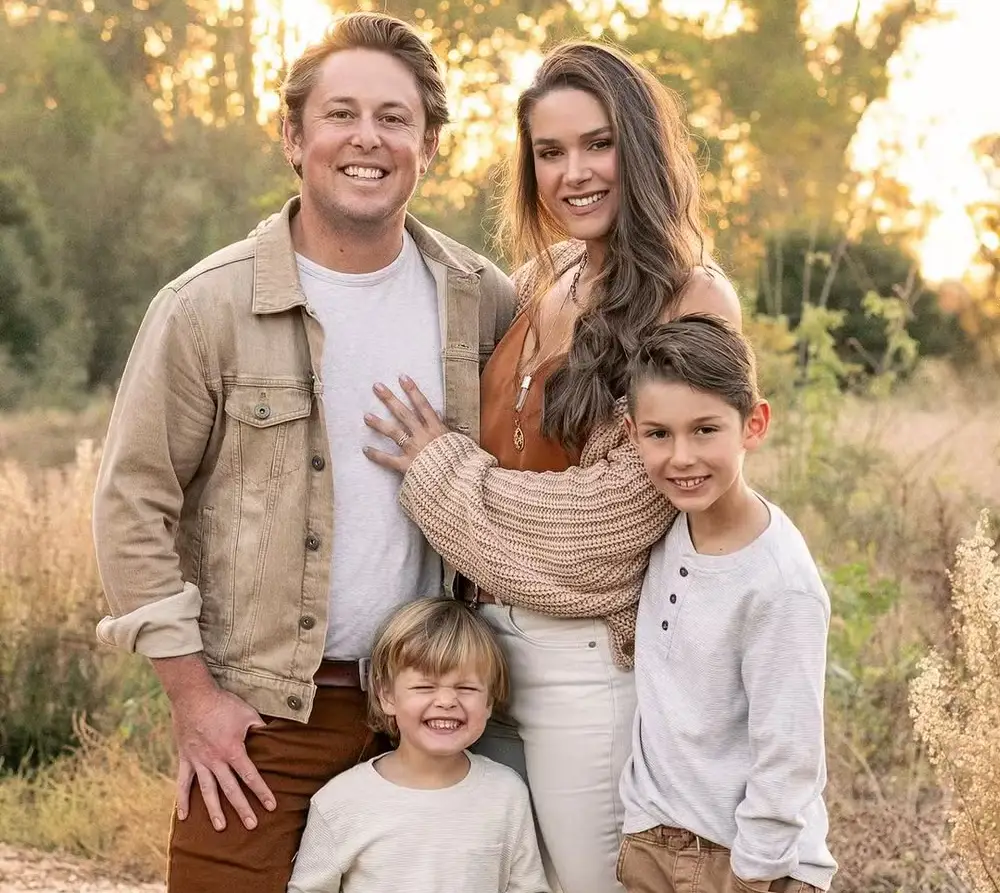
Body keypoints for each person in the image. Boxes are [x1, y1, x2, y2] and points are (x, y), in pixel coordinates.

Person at [90, 12, 516, 892]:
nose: (368, 139)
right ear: (293, 135)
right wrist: (194, 701)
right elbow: (131, 504)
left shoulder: (484, 303)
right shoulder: (206, 307)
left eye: (394, 119)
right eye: (340, 114)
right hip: (259, 718)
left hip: (430, 711)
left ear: (429, 144)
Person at [363, 42, 741, 893]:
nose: (575, 172)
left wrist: (436, 470)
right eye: (549, 151)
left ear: (639, 149)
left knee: (588, 883)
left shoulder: (691, 299)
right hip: (477, 652)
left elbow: (607, 525)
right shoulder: (546, 277)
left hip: (582, 663)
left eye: (598, 144)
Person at [617, 314, 837, 893]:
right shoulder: (665, 529)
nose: (681, 457)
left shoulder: (778, 584)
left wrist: (751, 875)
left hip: (745, 863)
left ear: (753, 424)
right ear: (632, 431)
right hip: (657, 840)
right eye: (658, 434)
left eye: (705, 430)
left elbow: (788, 756)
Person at [287, 597, 550, 893]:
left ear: (489, 701)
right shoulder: (339, 802)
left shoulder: (507, 793)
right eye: (425, 687)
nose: (447, 701)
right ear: (387, 695)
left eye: (466, 688)